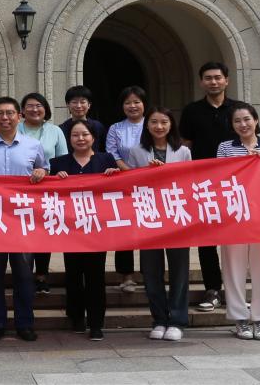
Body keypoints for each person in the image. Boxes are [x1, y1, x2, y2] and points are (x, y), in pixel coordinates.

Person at [0, 96, 47, 342]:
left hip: (22, 220)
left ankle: (25, 324)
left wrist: (41, 171)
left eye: (10, 113)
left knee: (24, 275)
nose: (5, 118)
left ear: (19, 116)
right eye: (0, 113)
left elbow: (45, 170)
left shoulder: (33, 145)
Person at [217, 102, 260, 341]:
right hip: (234, 216)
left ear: (256, 120)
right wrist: (243, 164)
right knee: (233, 268)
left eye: (247, 119)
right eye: (237, 121)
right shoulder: (225, 148)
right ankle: (240, 319)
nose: (243, 124)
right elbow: (219, 178)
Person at [51, 119, 122, 341]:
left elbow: (119, 188)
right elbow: (47, 193)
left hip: (96, 228)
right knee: (73, 274)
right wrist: (55, 180)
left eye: (84, 134)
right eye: (75, 135)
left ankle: (96, 323)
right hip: (70, 228)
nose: (80, 139)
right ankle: (76, 317)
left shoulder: (106, 159)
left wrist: (115, 175)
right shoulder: (58, 163)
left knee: (95, 276)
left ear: (93, 137)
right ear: (69, 139)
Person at [126, 107, 192, 342]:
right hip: (149, 216)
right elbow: (131, 183)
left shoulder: (183, 151)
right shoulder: (137, 151)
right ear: (147, 125)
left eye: (164, 122)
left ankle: (177, 320)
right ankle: (159, 320)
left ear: (171, 124)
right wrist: (148, 173)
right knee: (151, 272)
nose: (159, 126)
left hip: (176, 216)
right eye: (154, 122)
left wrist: (166, 174)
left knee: (179, 271)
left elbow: (188, 182)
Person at [180, 61, 238, 312]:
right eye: (208, 78)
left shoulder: (239, 110)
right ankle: (212, 289)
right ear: (201, 82)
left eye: (217, 77)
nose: (213, 82)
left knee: (235, 239)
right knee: (206, 239)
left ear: (226, 80)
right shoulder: (192, 111)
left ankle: (236, 290)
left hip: (234, 184)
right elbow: (185, 146)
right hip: (202, 184)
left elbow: (251, 141)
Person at [19, 91, 69, 296]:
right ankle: (23, 275)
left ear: (46, 109)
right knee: (23, 231)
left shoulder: (55, 131)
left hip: (46, 190)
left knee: (43, 231)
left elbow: (63, 159)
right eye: (30, 106)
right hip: (19, 190)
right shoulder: (15, 128)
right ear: (22, 111)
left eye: (39, 106)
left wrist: (53, 173)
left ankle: (41, 275)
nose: (34, 109)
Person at [104, 85, 147, 294]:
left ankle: (150, 274)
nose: (132, 106)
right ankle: (126, 276)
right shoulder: (116, 128)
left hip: (151, 184)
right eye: (128, 102)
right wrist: (130, 173)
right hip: (124, 184)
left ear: (144, 104)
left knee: (151, 228)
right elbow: (112, 153)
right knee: (125, 229)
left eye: (136, 102)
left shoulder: (153, 124)